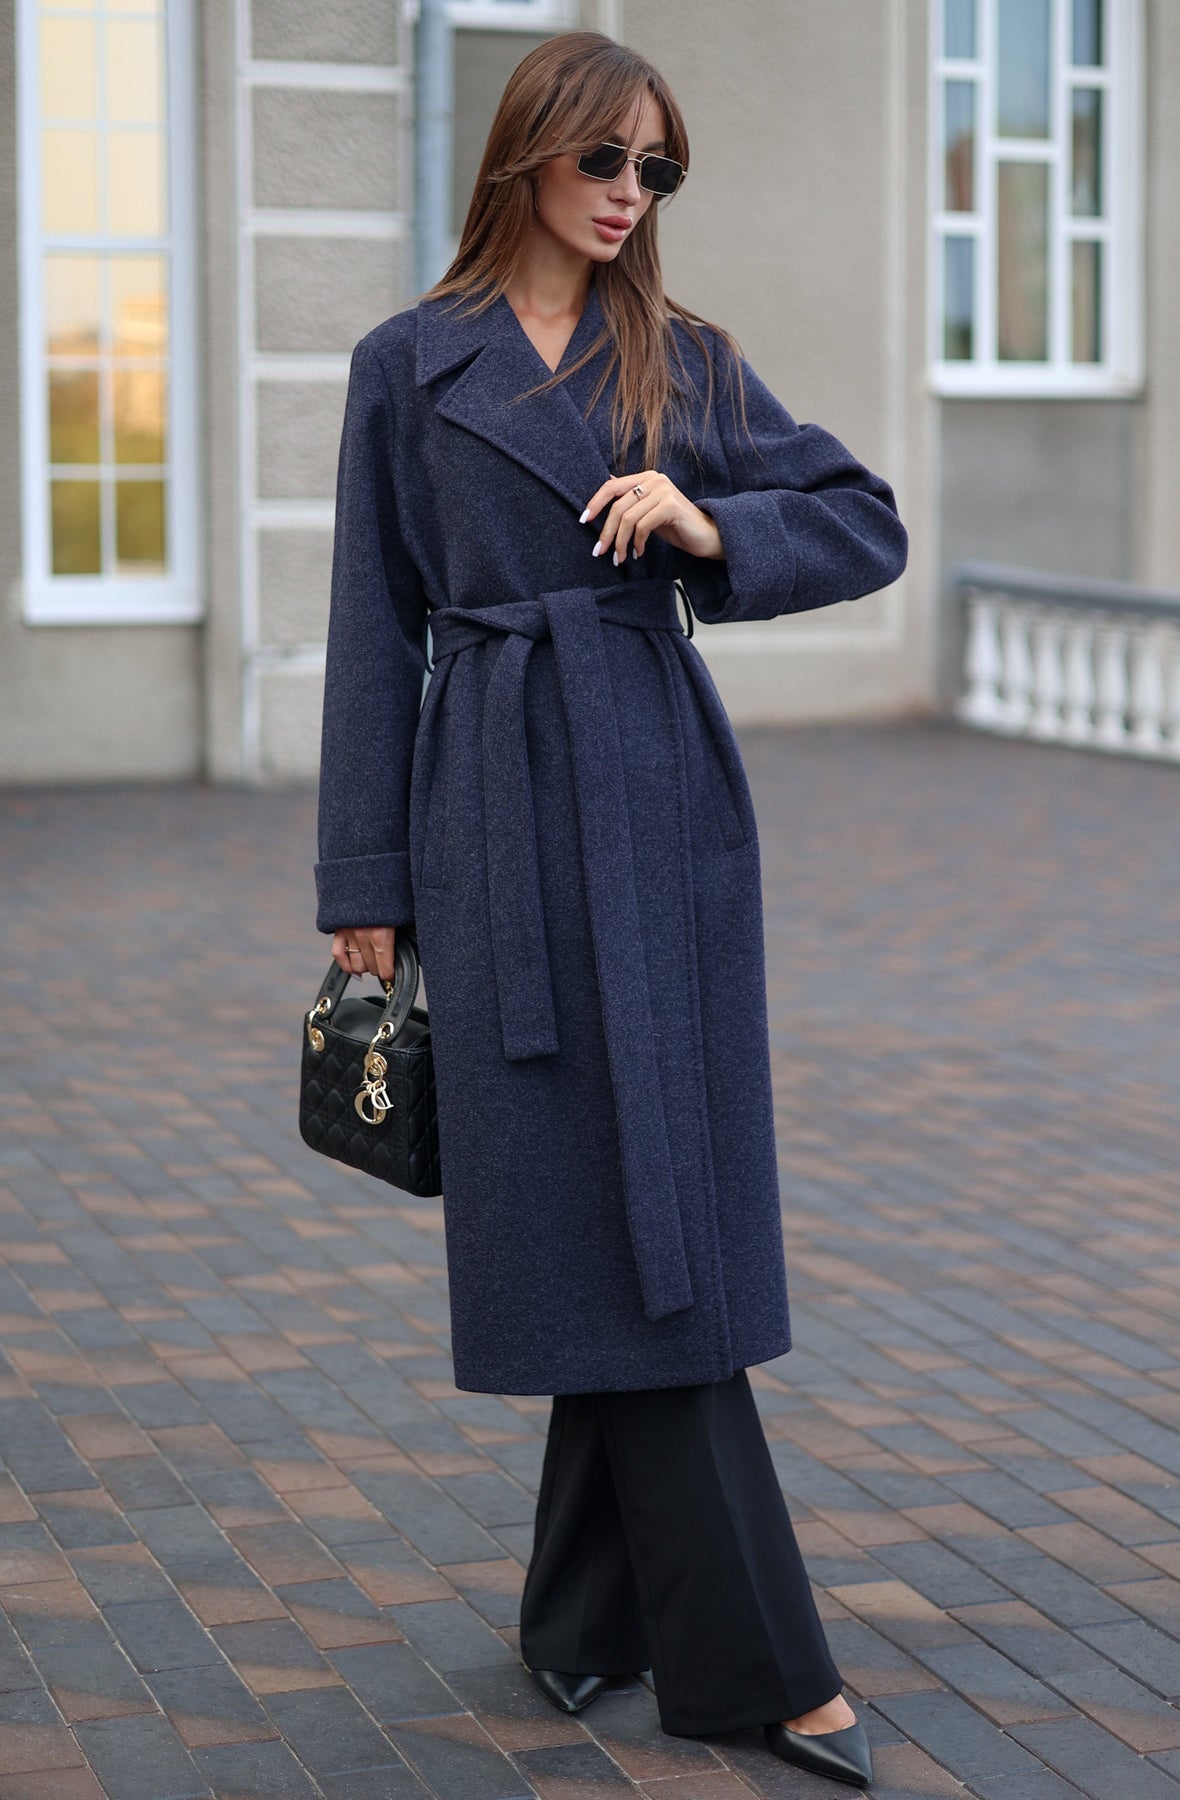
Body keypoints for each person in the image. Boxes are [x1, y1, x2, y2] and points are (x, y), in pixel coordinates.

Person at [314, 30, 906, 1789]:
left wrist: (710, 523)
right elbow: (373, 630)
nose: (628, 194)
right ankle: (713, 1653)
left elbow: (861, 519)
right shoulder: (406, 367)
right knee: (597, 1196)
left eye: (656, 169)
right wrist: (366, 887)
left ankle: (634, 1634)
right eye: (604, 161)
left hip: (659, 793)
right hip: (492, 806)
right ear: (527, 158)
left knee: (659, 1206)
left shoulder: (684, 357)